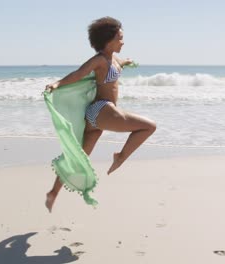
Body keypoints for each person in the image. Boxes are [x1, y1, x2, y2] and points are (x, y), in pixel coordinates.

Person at [44, 17, 156, 212]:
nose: (123, 42)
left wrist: (128, 62)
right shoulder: (99, 60)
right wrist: (57, 84)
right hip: (102, 109)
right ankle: (120, 157)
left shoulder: (113, 58)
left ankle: (53, 192)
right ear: (108, 39)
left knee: (78, 157)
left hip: (98, 117)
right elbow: (78, 74)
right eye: (120, 38)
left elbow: (120, 62)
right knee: (149, 126)